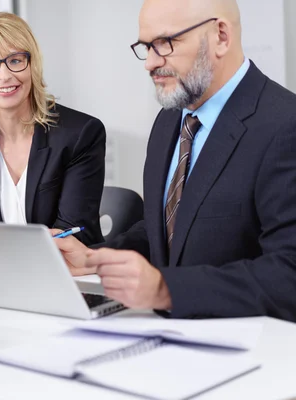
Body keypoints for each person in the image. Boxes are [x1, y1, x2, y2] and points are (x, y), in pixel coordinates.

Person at [54, 0, 296, 321]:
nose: (150, 63)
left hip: (248, 352)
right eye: (146, 47)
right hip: (168, 344)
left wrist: (165, 289)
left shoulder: (284, 124)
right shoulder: (169, 120)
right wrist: (93, 259)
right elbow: (170, 233)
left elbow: (288, 273)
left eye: (165, 43)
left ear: (220, 37)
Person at [0, 12, 106, 246]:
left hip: (65, 274)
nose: (4, 76)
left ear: (32, 64)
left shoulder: (80, 134)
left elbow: (70, 237)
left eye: (15, 60)